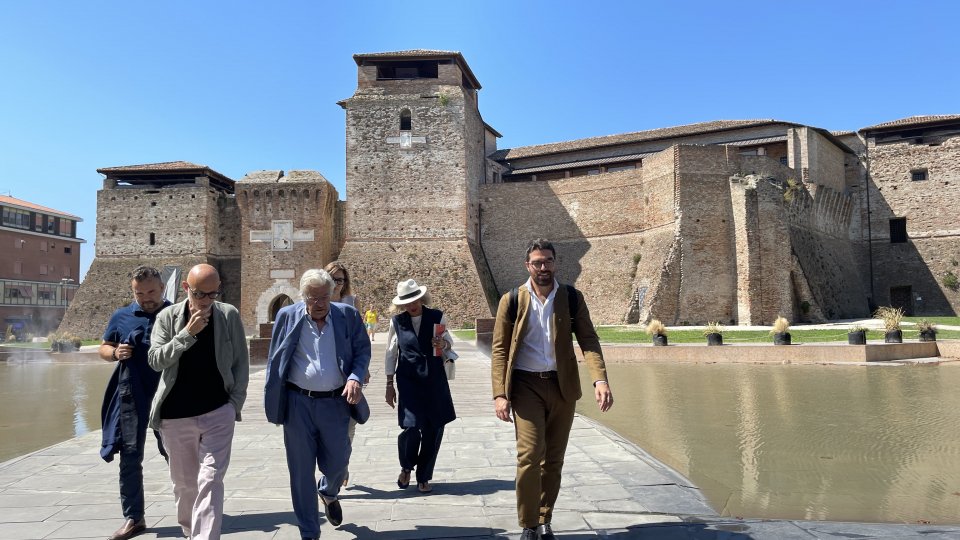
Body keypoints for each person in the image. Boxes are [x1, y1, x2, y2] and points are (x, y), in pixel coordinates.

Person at [491, 239, 614, 540]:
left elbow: (589, 340)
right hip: (525, 385)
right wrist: (499, 394)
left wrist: (600, 379)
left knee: (554, 459)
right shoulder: (512, 300)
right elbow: (499, 350)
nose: (543, 267)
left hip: (562, 387)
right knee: (530, 456)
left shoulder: (571, 297)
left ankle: (545, 518)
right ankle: (528, 523)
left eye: (548, 261)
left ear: (556, 263)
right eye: (537, 262)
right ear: (527, 266)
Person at [264, 268, 370, 540]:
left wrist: (356, 377)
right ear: (303, 297)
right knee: (300, 473)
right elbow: (275, 360)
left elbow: (362, 350)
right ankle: (309, 532)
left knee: (338, 463)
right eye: (312, 298)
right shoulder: (286, 316)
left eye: (324, 296)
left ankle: (329, 491)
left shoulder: (347, 316)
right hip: (298, 404)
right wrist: (274, 400)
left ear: (333, 293)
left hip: (335, 403)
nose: (319, 303)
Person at [147, 263, 249, 540]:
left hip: (218, 412)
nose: (206, 300)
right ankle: (192, 533)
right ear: (185, 289)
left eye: (213, 294)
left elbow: (241, 362)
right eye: (199, 294)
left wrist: (233, 405)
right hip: (175, 416)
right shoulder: (167, 317)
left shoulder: (228, 315)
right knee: (185, 486)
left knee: (211, 479)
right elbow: (156, 361)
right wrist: (187, 334)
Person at [99, 266, 171, 540]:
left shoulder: (175, 314)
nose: (145, 298)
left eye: (151, 292)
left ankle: (192, 510)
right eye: (139, 293)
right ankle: (134, 518)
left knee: (175, 456)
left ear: (162, 288)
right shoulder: (122, 316)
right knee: (130, 457)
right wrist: (115, 352)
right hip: (132, 396)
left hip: (168, 397)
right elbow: (104, 348)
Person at [384, 278, 456, 494]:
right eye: (406, 301)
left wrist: (442, 343)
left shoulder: (436, 316)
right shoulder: (397, 322)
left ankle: (424, 476)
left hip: (434, 380)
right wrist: (389, 384)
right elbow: (390, 353)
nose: (411, 305)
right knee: (411, 427)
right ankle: (406, 466)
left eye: (414, 299)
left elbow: (448, 342)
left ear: (421, 298)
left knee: (433, 429)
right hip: (408, 381)